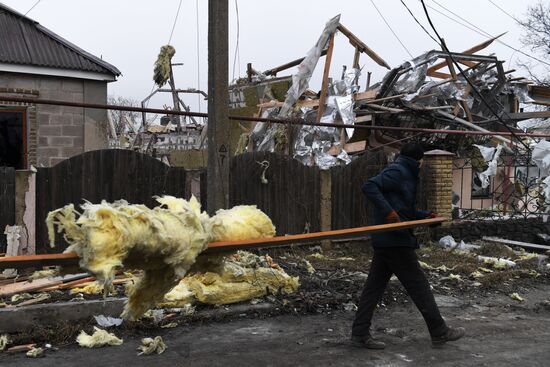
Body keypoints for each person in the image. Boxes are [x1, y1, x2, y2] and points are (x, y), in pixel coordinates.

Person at [351, 142, 465, 349]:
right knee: (419, 285)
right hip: (394, 239)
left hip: (389, 239)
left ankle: (359, 333)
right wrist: (387, 212)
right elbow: (369, 186)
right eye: (422, 161)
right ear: (418, 160)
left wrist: (425, 216)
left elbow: (404, 211)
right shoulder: (398, 171)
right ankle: (439, 331)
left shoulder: (406, 173)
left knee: (373, 289)